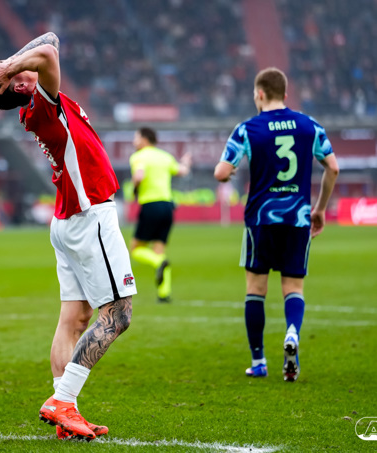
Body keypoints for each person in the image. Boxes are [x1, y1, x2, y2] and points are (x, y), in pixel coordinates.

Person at [0, 32, 136, 441]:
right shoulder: (42, 104)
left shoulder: (36, 102)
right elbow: (48, 50)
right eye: (16, 75)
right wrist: (11, 66)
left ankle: (66, 413)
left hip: (67, 221)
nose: (22, 68)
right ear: (19, 87)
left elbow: (50, 39)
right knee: (119, 315)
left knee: (74, 320)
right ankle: (63, 400)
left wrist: (8, 63)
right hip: (90, 215)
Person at [214, 67, 339, 382]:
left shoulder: (247, 129)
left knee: (256, 289)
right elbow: (333, 168)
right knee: (293, 287)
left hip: (261, 219)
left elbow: (221, 172)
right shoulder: (309, 125)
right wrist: (320, 209)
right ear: (284, 94)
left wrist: (229, 173)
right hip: (298, 218)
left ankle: (258, 361)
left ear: (259, 94)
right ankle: (292, 333)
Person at [129, 127, 191, 303]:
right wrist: (186, 161)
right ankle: (164, 293)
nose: (134, 141)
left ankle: (158, 263)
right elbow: (182, 171)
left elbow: (139, 176)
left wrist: (134, 189)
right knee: (159, 249)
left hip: (150, 205)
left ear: (144, 139)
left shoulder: (139, 156)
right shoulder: (165, 156)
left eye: (136, 137)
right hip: (167, 207)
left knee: (136, 249)